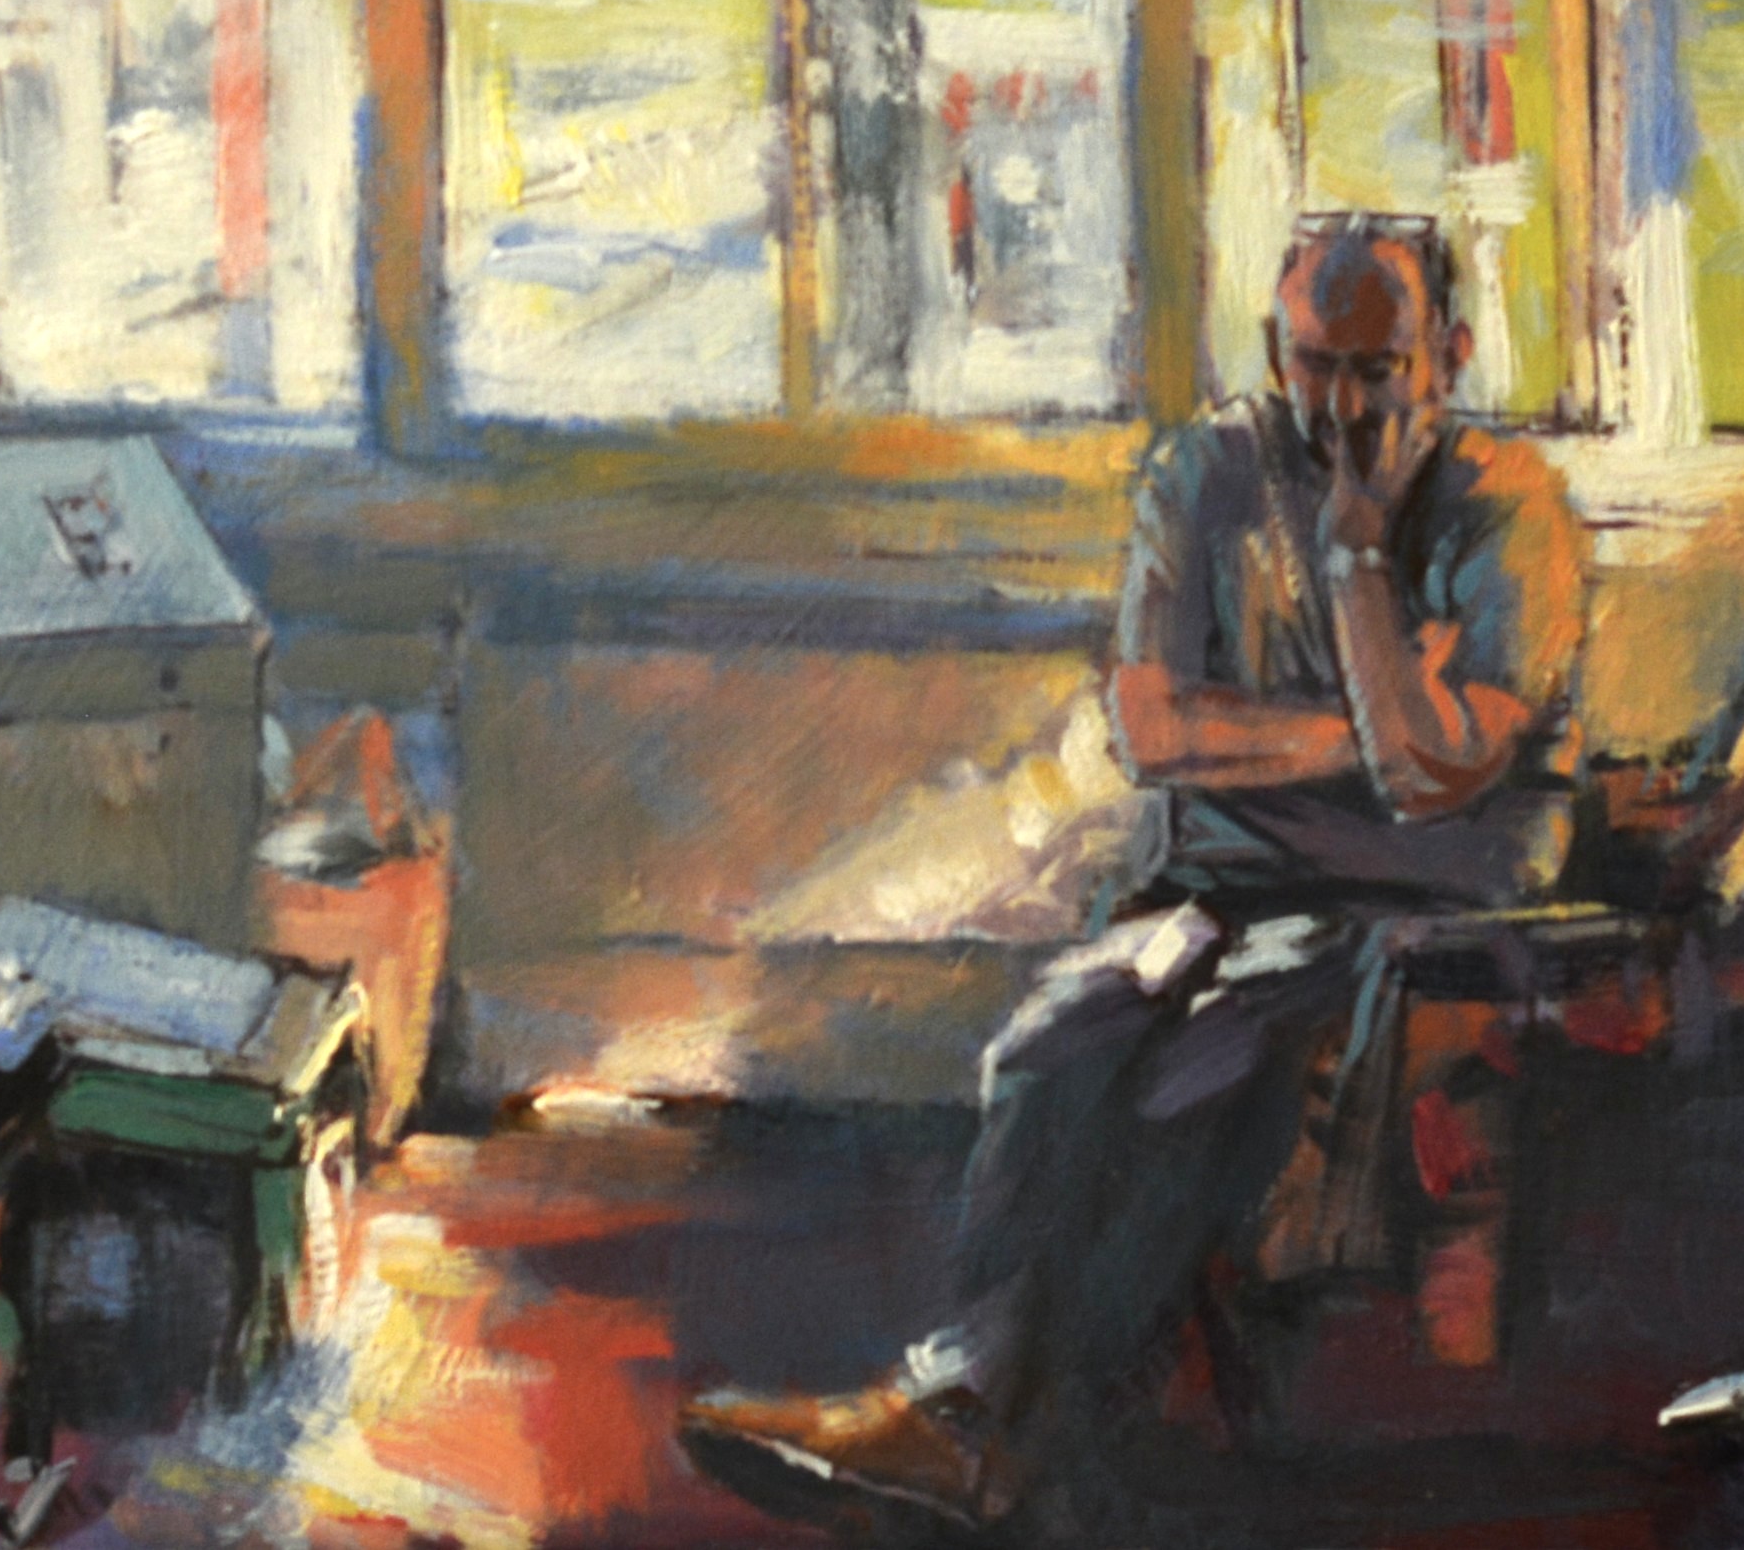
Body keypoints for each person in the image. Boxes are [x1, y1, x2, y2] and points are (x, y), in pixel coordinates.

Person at [678, 213, 1590, 1531]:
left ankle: (1005, 1438)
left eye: (1377, 371)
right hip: (1213, 891)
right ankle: (971, 1407)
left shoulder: (1513, 509)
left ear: (1447, 355)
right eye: (1314, 365)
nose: (1340, 408)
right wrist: (1371, 724)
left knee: (1198, 1069)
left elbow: (1438, 781)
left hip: (1412, 914)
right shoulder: (1204, 473)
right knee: (1050, 1043)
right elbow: (1157, 731)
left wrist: (1354, 559)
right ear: (1275, 350)